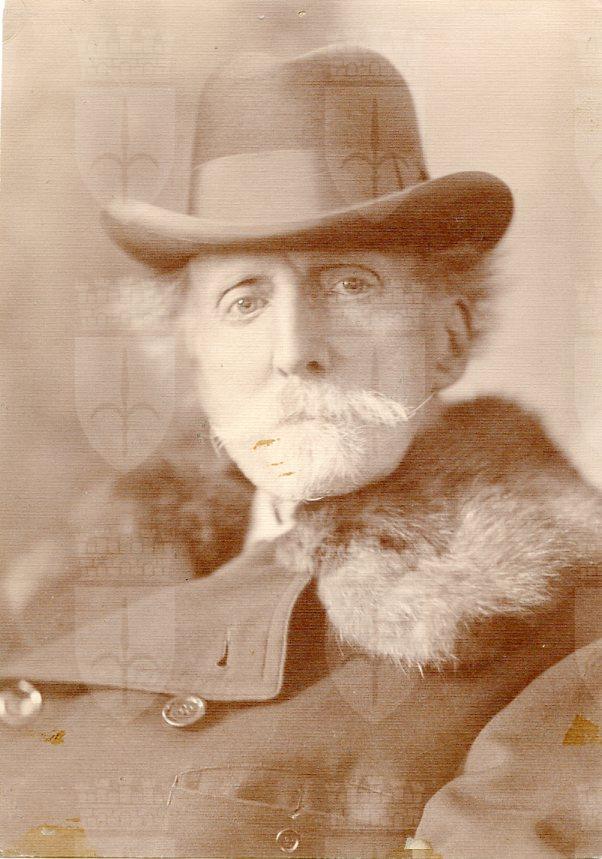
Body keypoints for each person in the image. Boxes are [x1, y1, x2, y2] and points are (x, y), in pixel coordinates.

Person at [1, 45, 600, 859]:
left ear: (449, 339)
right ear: (194, 356)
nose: (294, 350)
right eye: (244, 302)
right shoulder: (78, 583)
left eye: (350, 284)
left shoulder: (574, 637)